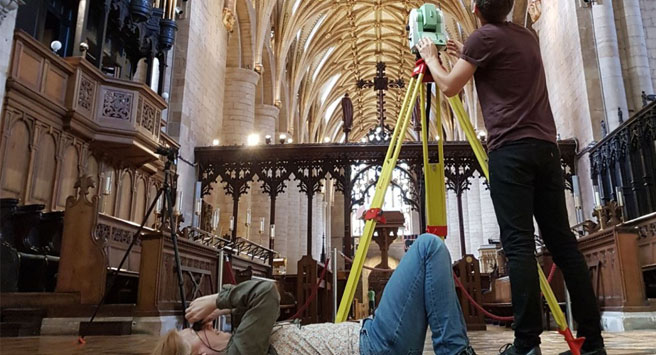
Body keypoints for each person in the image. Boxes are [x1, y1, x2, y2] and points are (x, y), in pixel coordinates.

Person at [416, 1, 605, 355]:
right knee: (564, 247)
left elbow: (449, 87)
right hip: (546, 150)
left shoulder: (481, 39)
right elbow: (498, 58)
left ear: (474, 8)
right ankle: (593, 344)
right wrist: (465, 50)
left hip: (511, 153)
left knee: (518, 246)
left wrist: (431, 58)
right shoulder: (528, 36)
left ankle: (526, 345)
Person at [154, 234, 476, 355]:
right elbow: (265, 293)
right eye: (192, 332)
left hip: (373, 339)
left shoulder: (243, 338)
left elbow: (248, 307)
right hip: (373, 346)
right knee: (427, 248)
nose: (201, 325)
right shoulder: (239, 353)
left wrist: (221, 308)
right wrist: (216, 301)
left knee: (428, 254)